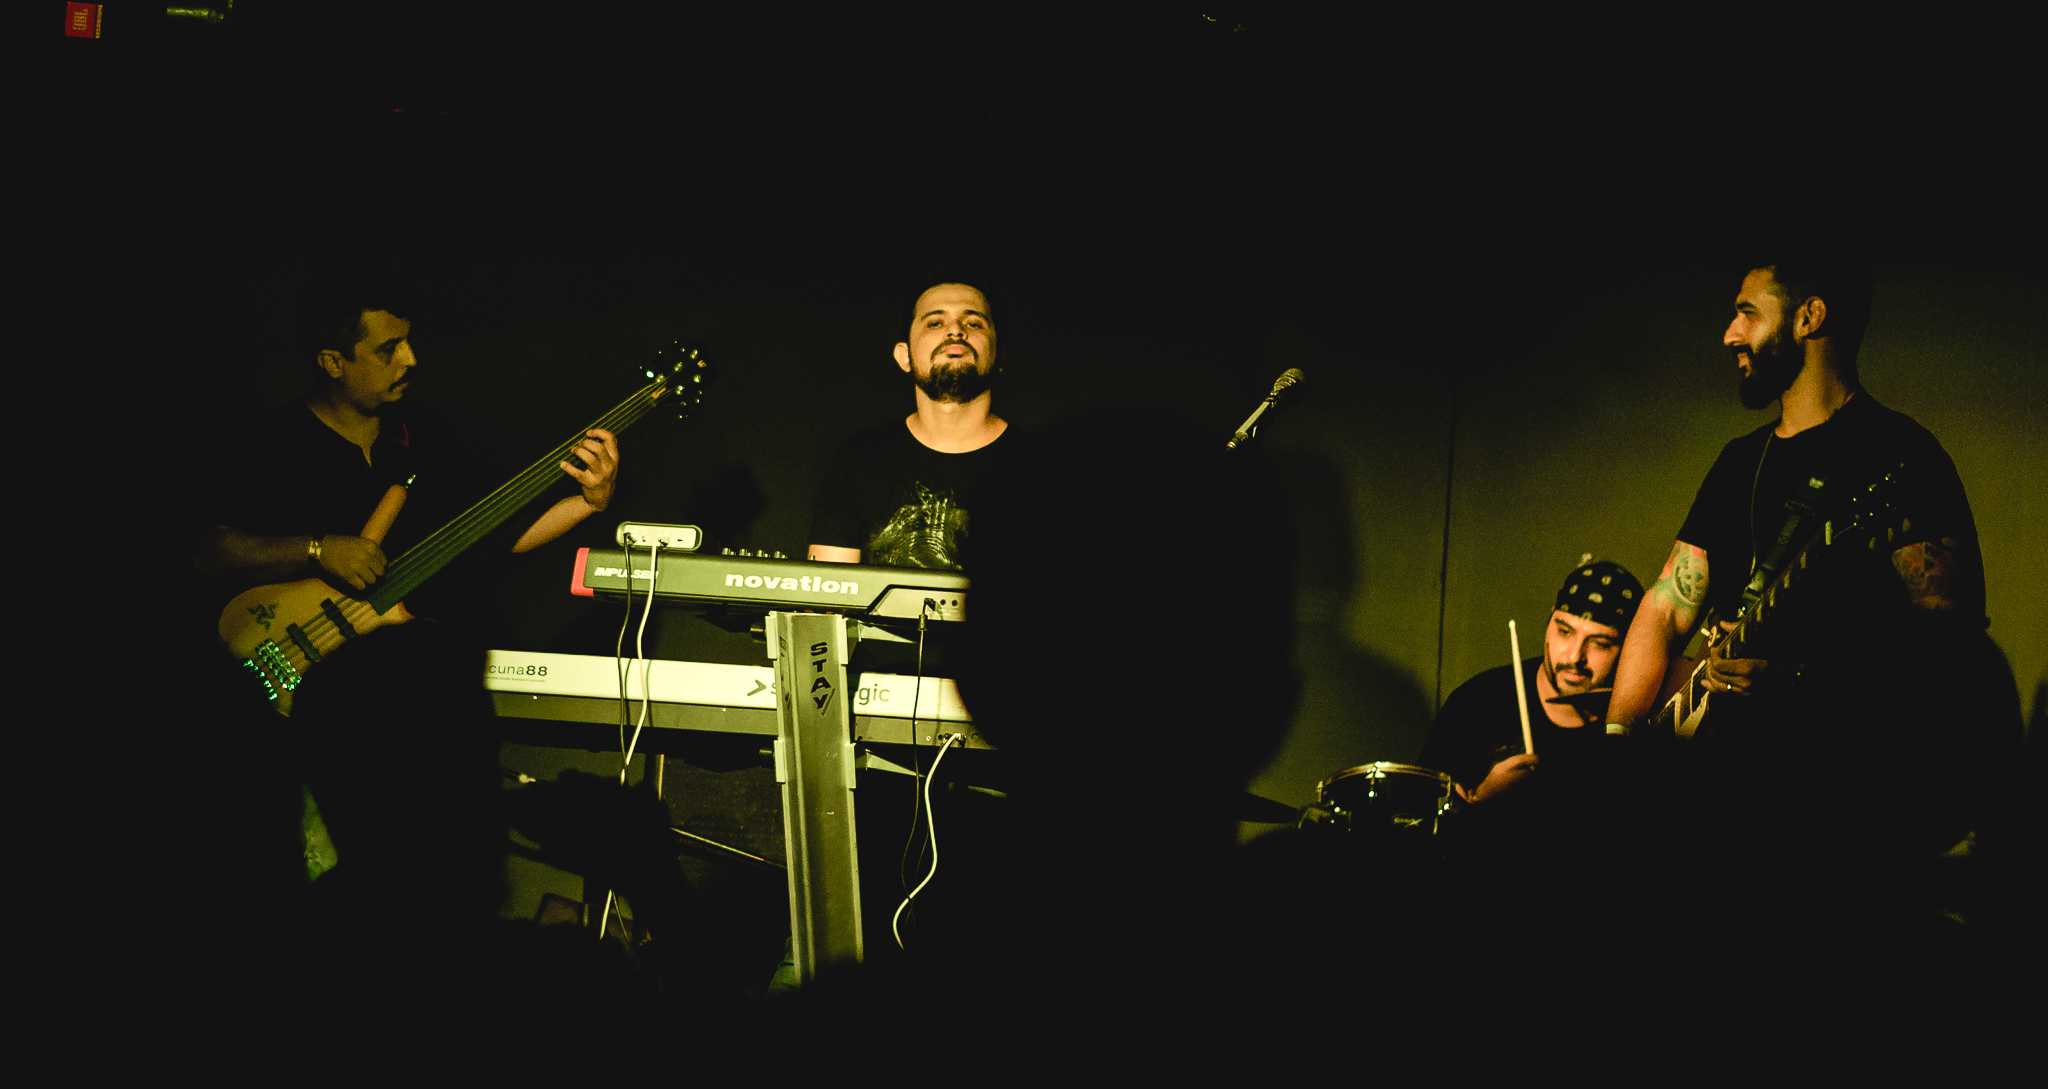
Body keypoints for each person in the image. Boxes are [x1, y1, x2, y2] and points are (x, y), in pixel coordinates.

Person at [192, 262, 621, 607]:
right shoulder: (271, 442)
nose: (410, 359)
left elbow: (499, 534)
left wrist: (589, 502)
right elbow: (211, 554)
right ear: (333, 362)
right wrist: (319, 550)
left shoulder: (423, 432)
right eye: (388, 349)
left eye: (408, 342)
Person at [807, 280, 1009, 569]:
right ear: (905, 357)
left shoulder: (1043, 468)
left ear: (1000, 354)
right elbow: (827, 591)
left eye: (974, 323)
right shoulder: (857, 462)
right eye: (935, 323)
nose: (955, 331)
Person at [1421, 558, 1643, 807]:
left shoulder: (1640, 724)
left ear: (1629, 648)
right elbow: (1416, 816)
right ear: (1550, 622)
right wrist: (1480, 798)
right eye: (1564, 631)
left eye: (1600, 643)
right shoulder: (1477, 702)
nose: (1575, 657)